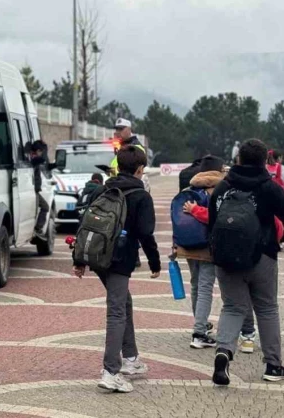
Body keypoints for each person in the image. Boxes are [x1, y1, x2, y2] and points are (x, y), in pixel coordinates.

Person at [73, 146, 161, 393]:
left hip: (99, 258)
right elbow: (146, 233)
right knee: (116, 311)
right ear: (140, 169)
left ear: (118, 166)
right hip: (120, 259)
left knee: (124, 302)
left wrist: (79, 260)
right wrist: (154, 263)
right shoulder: (141, 196)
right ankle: (111, 371)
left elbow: (86, 226)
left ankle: (131, 359)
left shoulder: (104, 189)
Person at [210, 139, 284, 385]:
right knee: (267, 308)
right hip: (262, 257)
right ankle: (273, 366)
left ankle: (223, 353)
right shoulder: (269, 187)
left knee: (232, 307)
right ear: (265, 161)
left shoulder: (222, 188)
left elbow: (212, 224)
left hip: (226, 259)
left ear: (238, 159)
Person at [176, 156, 257, 349]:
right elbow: (219, 218)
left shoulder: (189, 189)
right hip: (210, 245)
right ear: (219, 170)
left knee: (196, 286)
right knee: (207, 287)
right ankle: (200, 332)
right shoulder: (220, 190)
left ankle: (200, 325)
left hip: (188, 245)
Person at [29, 139, 52, 241]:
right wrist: (45, 148)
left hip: (34, 190)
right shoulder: (33, 158)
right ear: (38, 150)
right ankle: (37, 229)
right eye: (41, 151)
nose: (42, 153)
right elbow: (43, 159)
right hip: (33, 191)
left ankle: (37, 228)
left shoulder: (32, 157)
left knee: (44, 207)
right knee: (45, 207)